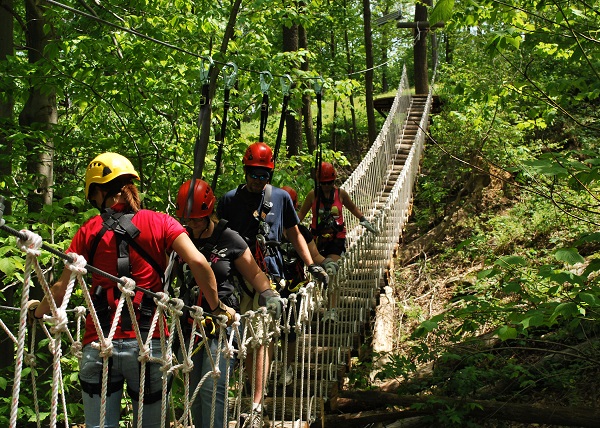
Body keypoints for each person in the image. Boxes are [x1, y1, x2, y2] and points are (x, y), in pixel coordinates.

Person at [26, 152, 235, 428]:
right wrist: (216, 307)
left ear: (99, 192)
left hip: (100, 343)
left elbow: (60, 288)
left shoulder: (89, 230)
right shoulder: (161, 222)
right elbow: (198, 262)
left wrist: (37, 312)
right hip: (149, 343)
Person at [216, 142, 328, 426]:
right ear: (245, 171)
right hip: (237, 280)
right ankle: (251, 388)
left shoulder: (280, 198)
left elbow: (294, 233)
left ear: (271, 175)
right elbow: (216, 235)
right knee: (245, 340)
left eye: (264, 174)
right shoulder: (229, 200)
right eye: (254, 173)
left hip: (270, 278)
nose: (258, 179)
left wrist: (311, 264)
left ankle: (256, 402)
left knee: (262, 338)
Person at [173, 178, 282, 428]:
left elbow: (254, 273)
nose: (192, 224)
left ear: (209, 212)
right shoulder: (181, 238)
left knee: (213, 387)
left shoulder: (229, 238)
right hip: (189, 323)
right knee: (193, 392)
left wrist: (268, 293)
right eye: (188, 219)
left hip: (222, 322)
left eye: (197, 219)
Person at [297, 161, 377, 322]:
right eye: (324, 183)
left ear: (334, 181)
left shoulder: (340, 194)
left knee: (332, 271)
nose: (327, 186)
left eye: (330, 182)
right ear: (319, 182)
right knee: (321, 274)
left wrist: (363, 219)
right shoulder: (313, 195)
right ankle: (324, 300)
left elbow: (352, 207)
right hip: (317, 241)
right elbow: (300, 215)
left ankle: (331, 310)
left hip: (336, 240)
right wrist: (288, 230)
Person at [277, 185, 338, 386]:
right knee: (267, 332)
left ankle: (287, 367)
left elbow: (315, 256)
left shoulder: (301, 232)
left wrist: (326, 264)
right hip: (270, 287)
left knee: (290, 331)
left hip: (294, 289)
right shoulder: (268, 230)